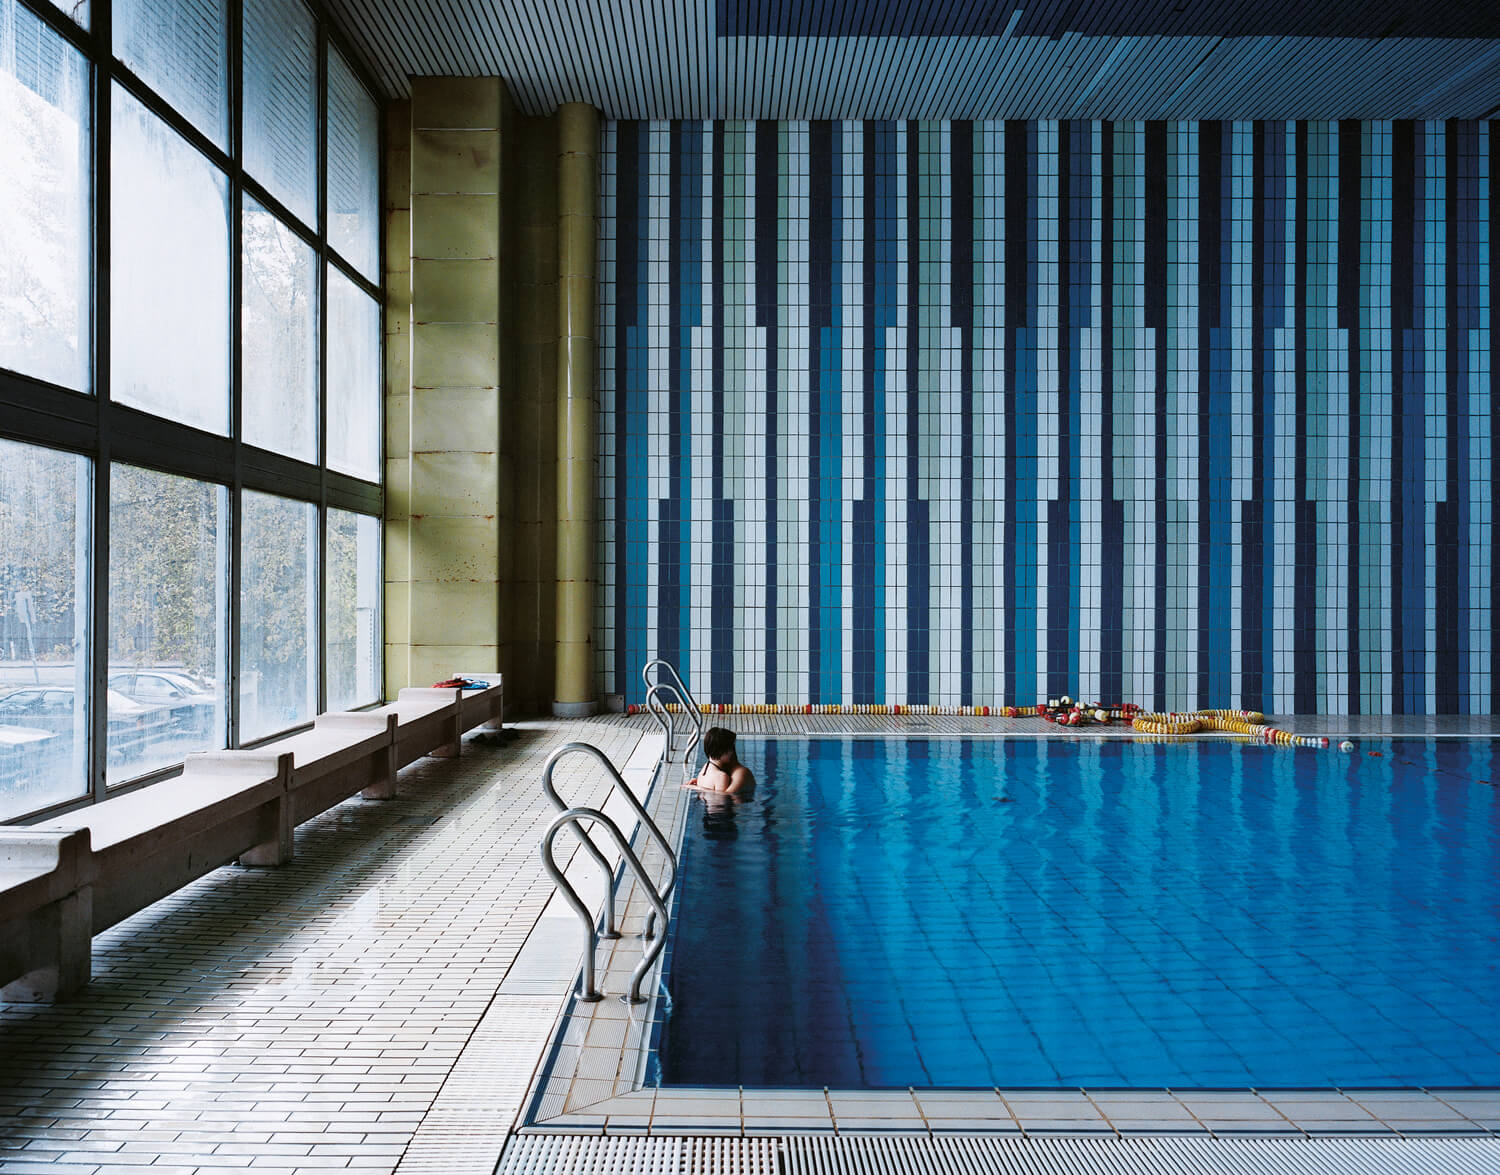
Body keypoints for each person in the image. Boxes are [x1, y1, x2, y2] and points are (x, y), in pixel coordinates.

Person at [688, 726, 756, 797]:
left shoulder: (705, 768)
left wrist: (698, 787)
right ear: (722, 751)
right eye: (731, 748)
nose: (732, 752)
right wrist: (698, 788)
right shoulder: (722, 776)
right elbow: (722, 798)